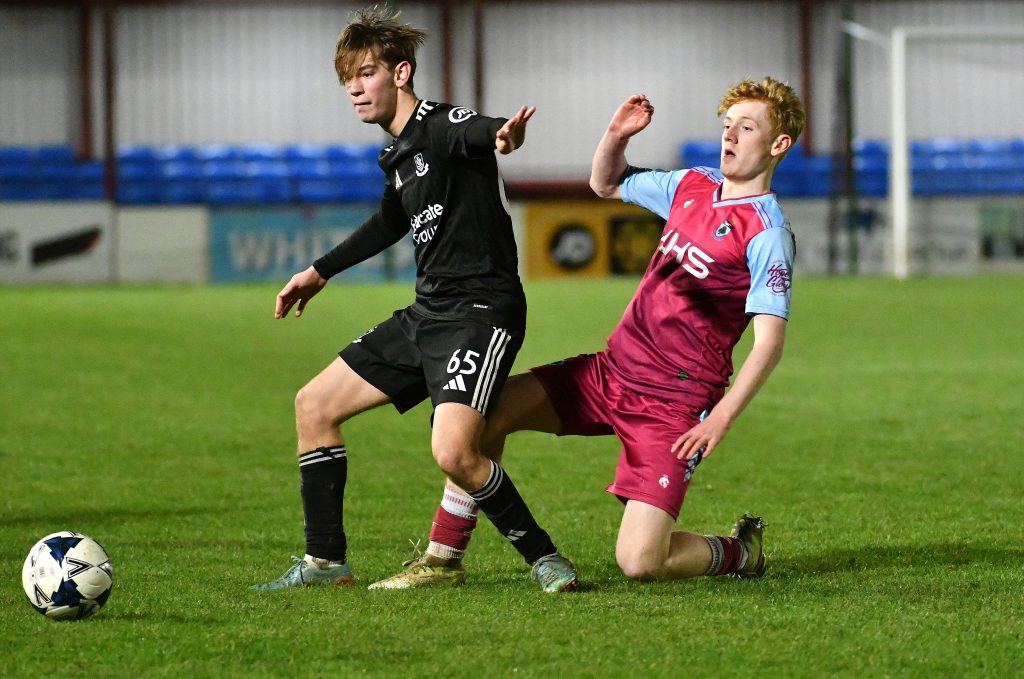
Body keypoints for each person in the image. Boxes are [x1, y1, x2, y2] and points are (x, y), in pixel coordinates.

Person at [370, 76, 804, 589]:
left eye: (746, 127)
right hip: (609, 372)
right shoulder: (693, 185)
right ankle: (444, 559)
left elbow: (769, 343)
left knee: (642, 562)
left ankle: (737, 552)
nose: (730, 135)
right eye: (727, 124)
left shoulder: (767, 233)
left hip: (673, 405)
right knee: (480, 422)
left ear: (778, 145)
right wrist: (617, 136)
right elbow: (606, 182)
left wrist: (721, 420)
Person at [252, 5, 576, 594]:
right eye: (347, 78)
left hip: (481, 312)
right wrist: (319, 271)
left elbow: (483, 129)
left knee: (455, 451)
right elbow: (386, 223)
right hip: (428, 313)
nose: (354, 88)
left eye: (366, 73)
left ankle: (545, 558)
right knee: (313, 406)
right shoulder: (397, 154)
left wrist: (506, 134)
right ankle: (326, 564)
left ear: (401, 73)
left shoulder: (442, 123)